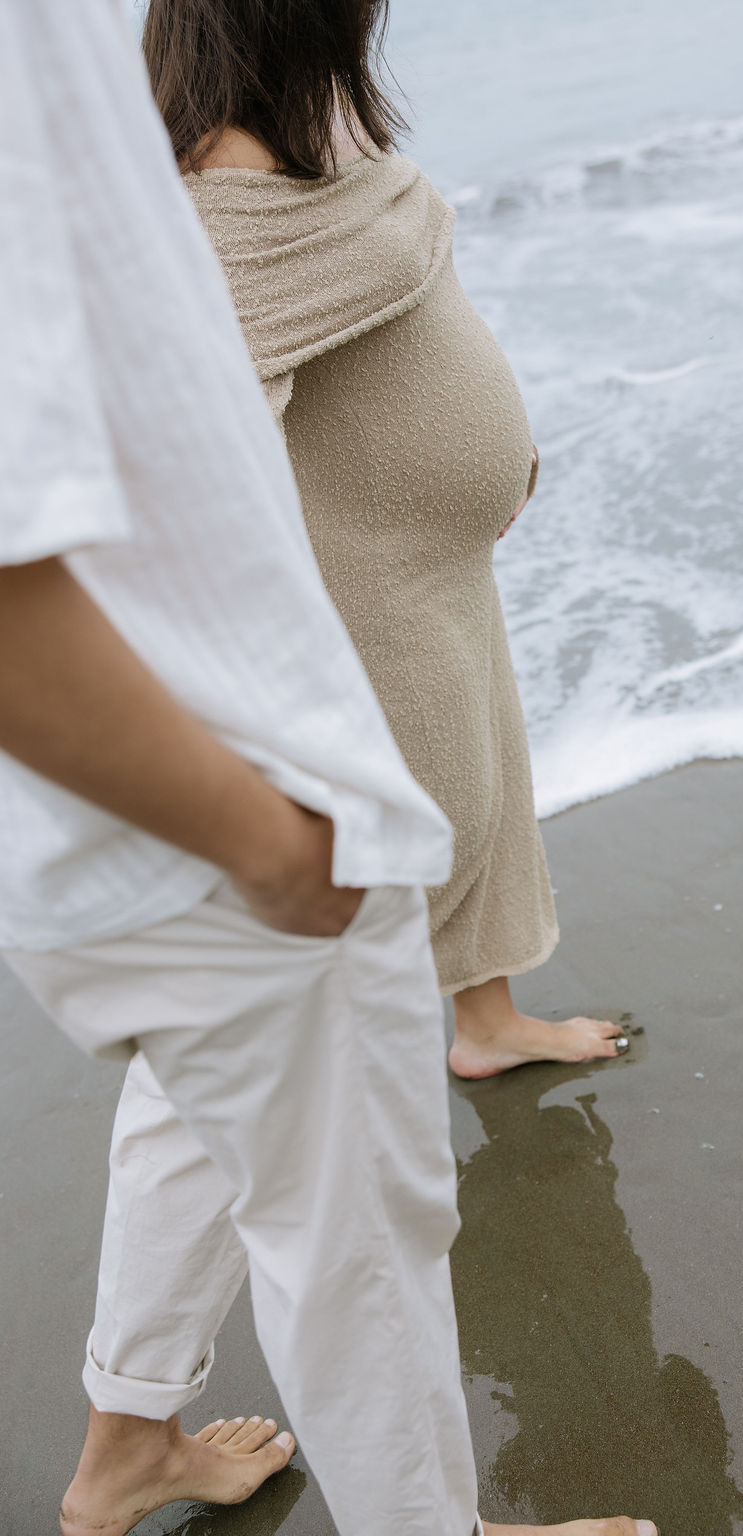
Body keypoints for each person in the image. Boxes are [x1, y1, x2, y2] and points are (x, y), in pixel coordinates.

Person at [0, 3, 655, 1535]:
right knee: (354, 1231)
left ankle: (128, 1447)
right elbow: (102, 568)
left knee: (216, 1125)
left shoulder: (221, 160)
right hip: (278, 792)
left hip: (277, 793)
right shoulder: (189, 209)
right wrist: (265, 839)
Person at [142, 0, 630, 1081]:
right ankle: (309, 1070)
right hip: (356, 565)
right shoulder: (212, 194)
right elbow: (199, 440)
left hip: (436, 548)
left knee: (489, 774)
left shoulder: (306, 118)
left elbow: (405, 298)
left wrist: (496, 445)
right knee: (434, 817)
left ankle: (488, 1023)